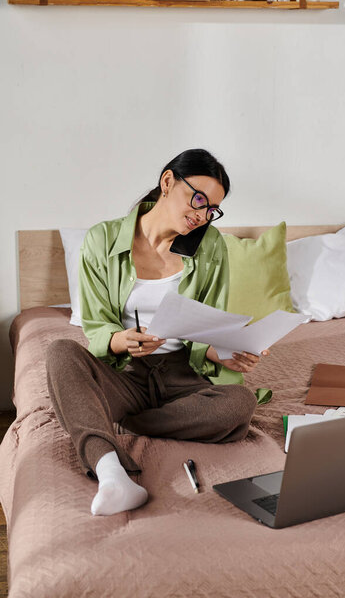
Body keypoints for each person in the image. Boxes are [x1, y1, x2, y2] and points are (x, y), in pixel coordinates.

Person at [46, 148, 269, 517]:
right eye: (198, 199)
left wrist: (223, 352)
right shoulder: (102, 240)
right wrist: (122, 340)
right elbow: (97, 325)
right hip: (124, 373)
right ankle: (111, 472)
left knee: (240, 405)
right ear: (168, 182)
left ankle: (125, 421)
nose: (202, 214)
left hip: (182, 375)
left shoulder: (211, 245)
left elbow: (205, 325)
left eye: (212, 208)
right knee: (60, 353)